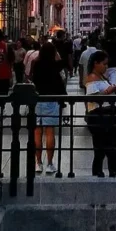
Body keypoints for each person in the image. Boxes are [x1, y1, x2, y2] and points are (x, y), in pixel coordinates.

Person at [84, 50, 116, 177]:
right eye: (104, 64)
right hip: (99, 117)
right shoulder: (92, 78)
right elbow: (92, 97)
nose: (106, 67)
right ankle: (101, 172)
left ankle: (110, 172)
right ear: (96, 64)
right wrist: (108, 91)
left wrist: (112, 90)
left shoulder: (102, 77)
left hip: (107, 116)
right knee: (102, 149)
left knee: (109, 148)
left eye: (107, 64)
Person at [31, 41, 67, 174]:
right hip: (51, 100)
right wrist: (56, 55)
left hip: (37, 99)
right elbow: (65, 63)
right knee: (50, 132)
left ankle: (38, 163)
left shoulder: (37, 64)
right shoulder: (55, 65)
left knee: (37, 132)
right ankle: (50, 164)